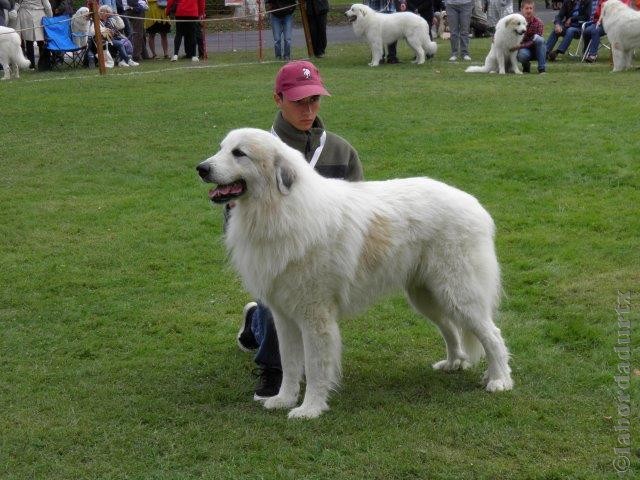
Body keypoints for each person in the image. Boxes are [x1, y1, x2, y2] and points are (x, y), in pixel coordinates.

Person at [234, 60, 364, 401]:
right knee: (278, 302)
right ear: (278, 99)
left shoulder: (339, 149)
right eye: (298, 102)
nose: (308, 110)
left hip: (321, 255)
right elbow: (233, 215)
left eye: (314, 100)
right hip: (270, 249)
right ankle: (274, 370)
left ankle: (255, 325)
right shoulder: (255, 149)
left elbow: (357, 207)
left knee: (309, 307)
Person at [16, 0, 53, 70]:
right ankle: (43, 63)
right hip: (39, 15)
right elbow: (47, 6)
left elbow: (19, 3)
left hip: (26, 15)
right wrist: (50, 17)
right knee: (41, 41)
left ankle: (31, 65)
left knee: (29, 42)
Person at [513, 0, 546, 73]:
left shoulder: (538, 23)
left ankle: (542, 69)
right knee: (522, 55)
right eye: (526, 8)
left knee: (540, 40)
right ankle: (526, 66)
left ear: (533, 10)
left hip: (537, 49)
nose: (529, 11)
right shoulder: (516, 23)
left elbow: (535, 41)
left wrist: (520, 46)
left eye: (531, 8)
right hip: (524, 50)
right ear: (521, 10)